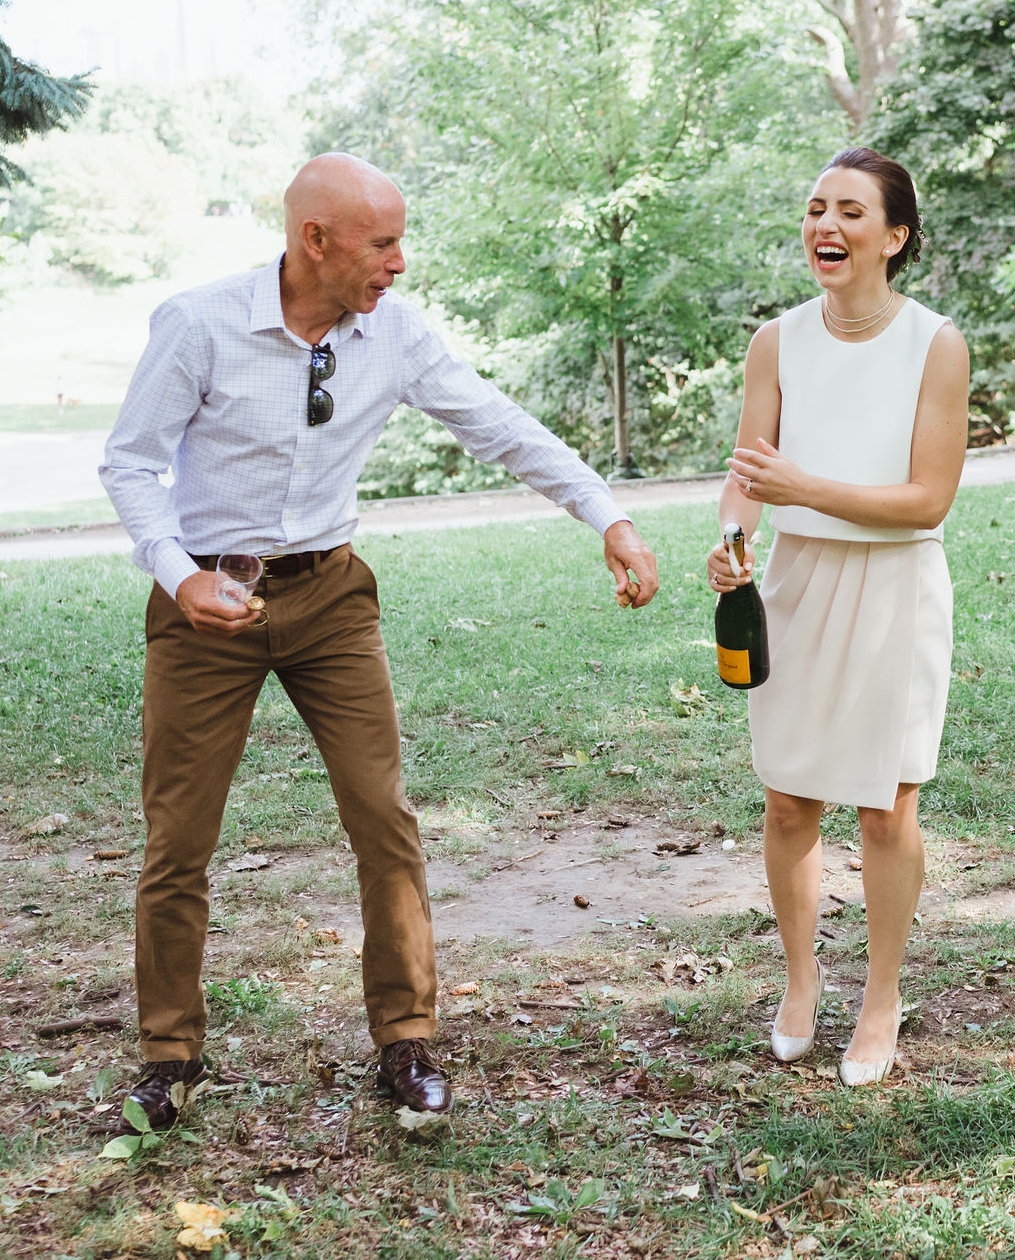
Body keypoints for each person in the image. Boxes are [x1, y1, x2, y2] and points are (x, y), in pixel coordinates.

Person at [99, 153, 659, 1134]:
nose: (400, 261)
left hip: (329, 598)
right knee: (178, 840)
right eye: (383, 240)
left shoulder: (391, 332)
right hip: (205, 602)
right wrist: (177, 570)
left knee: (384, 819)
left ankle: (406, 1039)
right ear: (315, 240)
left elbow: (499, 424)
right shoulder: (200, 324)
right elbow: (131, 461)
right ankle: (169, 1055)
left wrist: (605, 514)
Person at [706, 147, 968, 1086]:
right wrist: (733, 539)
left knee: (887, 806)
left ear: (894, 237)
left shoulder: (934, 342)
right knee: (787, 796)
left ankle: (882, 996)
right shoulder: (777, 340)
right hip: (795, 581)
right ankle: (802, 979)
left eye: (851, 212)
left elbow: (927, 498)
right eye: (817, 208)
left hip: (896, 583)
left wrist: (800, 485)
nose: (827, 226)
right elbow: (747, 478)